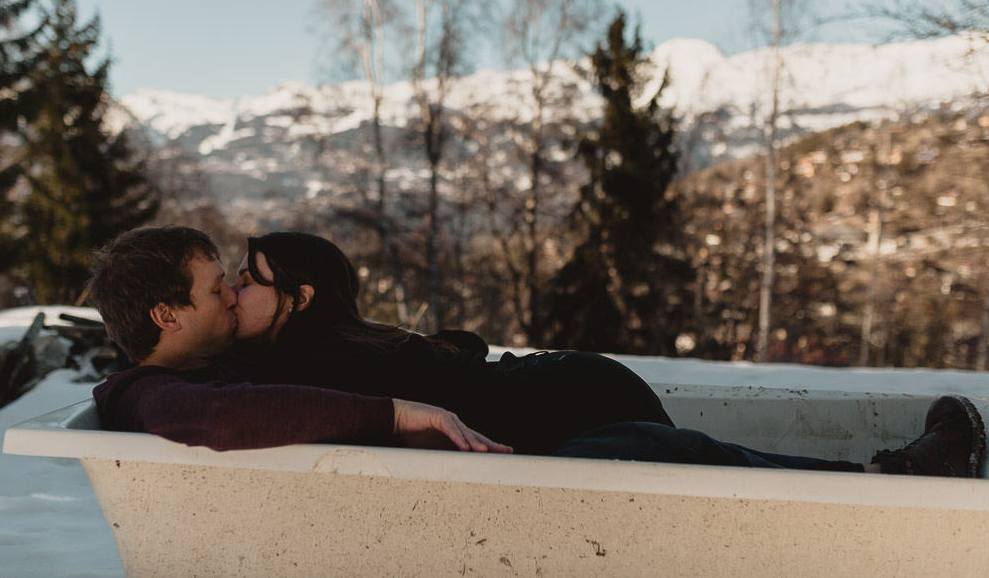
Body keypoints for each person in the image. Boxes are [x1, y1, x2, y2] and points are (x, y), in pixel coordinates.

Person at [226, 229, 986, 477]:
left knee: (702, 458)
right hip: (560, 433)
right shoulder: (297, 366)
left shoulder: (322, 352)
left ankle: (891, 477)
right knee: (697, 454)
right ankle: (889, 474)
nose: (233, 291)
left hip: (563, 414)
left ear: (300, 298)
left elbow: (454, 359)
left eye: (247, 279)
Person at [85, 225, 513, 454]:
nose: (233, 297)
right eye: (217, 290)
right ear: (166, 315)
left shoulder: (230, 361)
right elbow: (228, 415)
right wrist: (396, 418)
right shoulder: (143, 394)